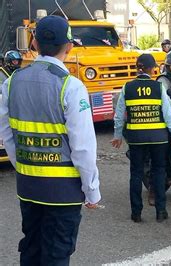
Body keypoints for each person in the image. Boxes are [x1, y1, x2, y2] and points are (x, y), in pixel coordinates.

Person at [0, 15, 101, 265]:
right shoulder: (71, 86)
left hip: (27, 186)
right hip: (63, 192)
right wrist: (91, 190)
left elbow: (7, 134)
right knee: (56, 255)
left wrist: (23, 166)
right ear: (69, 46)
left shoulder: (11, 83)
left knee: (31, 250)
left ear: (33, 43)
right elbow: (83, 148)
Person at [111, 53, 171, 223]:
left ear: (137, 68)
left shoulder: (127, 87)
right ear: (153, 69)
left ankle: (136, 213)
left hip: (136, 138)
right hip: (159, 138)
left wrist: (118, 135)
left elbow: (119, 116)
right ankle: (161, 212)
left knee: (136, 173)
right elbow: (168, 114)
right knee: (159, 172)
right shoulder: (158, 88)